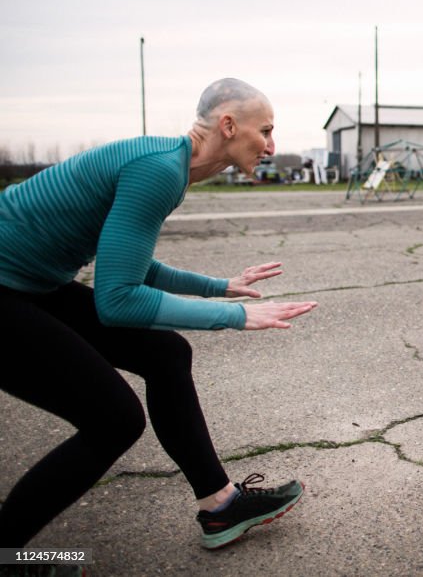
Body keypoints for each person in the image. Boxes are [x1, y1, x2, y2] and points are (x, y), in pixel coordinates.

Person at [0, 78, 317, 552]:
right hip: (8, 290)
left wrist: (220, 287)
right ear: (228, 125)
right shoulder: (159, 170)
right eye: (266, 131)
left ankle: (220, 504)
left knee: (166, 353)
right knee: (114, 421)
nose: (272, 145)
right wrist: (234, 316)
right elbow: (118, 299)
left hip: (31, 284)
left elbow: (129, 262)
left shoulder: (170, 165)